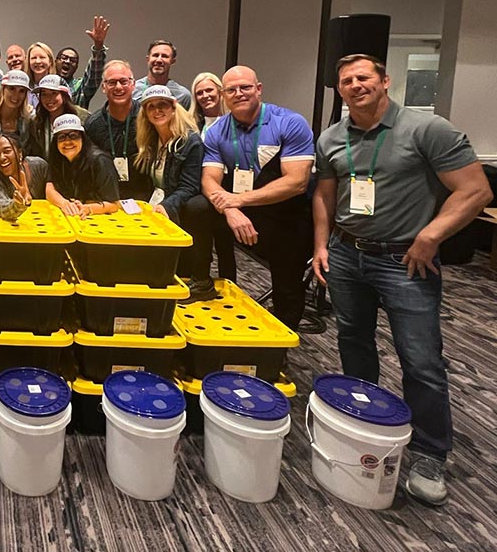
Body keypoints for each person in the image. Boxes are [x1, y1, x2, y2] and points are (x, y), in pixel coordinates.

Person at [312, 54, 492, 506]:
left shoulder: (427, 130)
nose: (355, 86)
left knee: (421, 359)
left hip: (405, 261)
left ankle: (430, 452)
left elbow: (475, 190)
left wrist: (431, 235)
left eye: (364, 78)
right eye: (347, 81)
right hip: (347, 254)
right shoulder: (333, 137)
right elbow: (325, 195)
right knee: (353, 339)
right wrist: (320, 245)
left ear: (385, 81)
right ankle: (365, 422)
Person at [201, 65, 314, 331]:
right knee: (197, 208)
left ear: (259, 89)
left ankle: (281, 345)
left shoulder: (289, 122)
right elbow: (209, 179)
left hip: (287, 216)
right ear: (223, 96)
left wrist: (238, 201)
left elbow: (297, 182)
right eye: (232, 89)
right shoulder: (217, 131)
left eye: (246, 87)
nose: (239, 93)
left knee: (287, 286)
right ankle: (206, 292)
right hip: (241, 210)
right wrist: (229, 209)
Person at [134, 85, 216, 301]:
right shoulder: (150, 140)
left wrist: (166, 206)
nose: (156, 111)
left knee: (197, 205)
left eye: (162, 105)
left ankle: (202, 281)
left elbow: (189, 187)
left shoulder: (190, 142)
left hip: (178, 203)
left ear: (173, 107)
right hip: (158, 198)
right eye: (151, 107)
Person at [84, 59, 153, 201]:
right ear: (103, 87)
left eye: (123, 81)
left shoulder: (148, 118)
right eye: (112, 82)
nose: (118, 87)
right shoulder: (93, 124)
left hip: (145, 198)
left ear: (133, 84)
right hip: (106, 198)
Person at [188, 71, 234, 279]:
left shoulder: (235, 121)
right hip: (199, 190)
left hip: (229, 188)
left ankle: (229, 285)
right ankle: (202, 281)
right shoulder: (191, 123)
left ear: (220, 92)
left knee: (225, 244)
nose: (205, 96)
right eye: (199, 93)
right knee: (201, 244)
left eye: (209, 90)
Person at [46, 114, 119, 219]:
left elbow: (114, 205)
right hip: (69, 219)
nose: (67, 142)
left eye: (73, 136)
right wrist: (64, 203)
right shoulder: (58, 157)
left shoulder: (100, 161)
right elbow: (49, 188)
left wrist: (88, 208)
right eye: (61, 137)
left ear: (82, 138)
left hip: (98, 219)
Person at [0, 133, 48, 222]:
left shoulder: (40, 166)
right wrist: (18, 204)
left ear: (20, 153)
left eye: (7, 151)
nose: (2, 157)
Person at [28, 75, 90, 160]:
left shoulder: (82, 117)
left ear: (64, 95)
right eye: (44, 94)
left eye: (54, 93)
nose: (49, 98)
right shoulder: (36, 121)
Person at [0, 69, 34, 153]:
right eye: (12, 89)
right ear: (2, 90)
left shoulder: (28, 119)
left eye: (22, 91)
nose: (16, 95)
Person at [133, 40, 192, 108]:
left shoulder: (183, 95)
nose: (159, 60)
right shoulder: (133, 90)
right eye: (155, 55)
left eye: (164, 56)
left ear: (172, 61)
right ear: (148, 59)